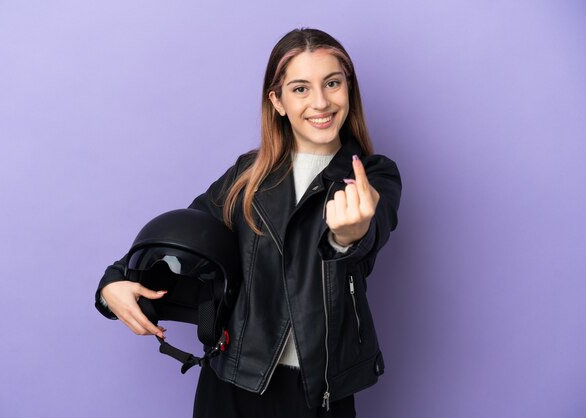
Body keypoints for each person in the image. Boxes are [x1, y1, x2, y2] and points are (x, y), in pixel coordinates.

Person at [95, 28, 402, 418]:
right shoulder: (248, 175)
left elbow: (370, 233)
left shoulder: (375, 175)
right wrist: (114, 282)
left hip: (319, 393)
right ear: (277, 101)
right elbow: (184, 237)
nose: (321, 101)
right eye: (300, 89)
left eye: (332, 83)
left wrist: (349, 235)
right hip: (231, 381)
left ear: (348, 89)